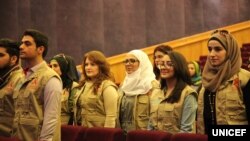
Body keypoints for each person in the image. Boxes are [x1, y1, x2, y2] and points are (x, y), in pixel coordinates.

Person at [12, 29, 62, 141]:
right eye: (21, 43)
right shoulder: (22, 77)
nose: (21, 46)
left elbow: (51, 118)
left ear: (40, 49)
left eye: (27, 44)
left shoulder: (50, 78)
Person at [196, 30, 250, 134]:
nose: (212, 54)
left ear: (230, 51)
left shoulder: (245, 79)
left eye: (218, 49)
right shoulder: (205, 81)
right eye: (210, 49)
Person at [149, 51, 198, 134]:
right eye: (162, 64)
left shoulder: (188, 94)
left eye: (169, 64)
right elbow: (150, 125)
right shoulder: (156, 92)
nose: (164, 67)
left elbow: (186, 131)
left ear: (179, 67)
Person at [75, 50, 118, 128]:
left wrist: (106, 136)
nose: (88, 67)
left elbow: (111, 117)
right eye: (86, 65)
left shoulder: (107, 87)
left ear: (101, 66)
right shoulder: (84, 84)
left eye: (92, 64)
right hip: (83, 131)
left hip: (99, 134)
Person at [118, 49, 156, 133]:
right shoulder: (123, 85)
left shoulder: (151, 85)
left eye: (132, 61)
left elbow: (157, 115)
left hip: (143, 134)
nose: (128, 64)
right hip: (123, 134)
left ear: (142, 62)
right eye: (126, 61)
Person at [0, 38, 24, 137]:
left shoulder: (20, 80)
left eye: (1, 55)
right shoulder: (3, 77)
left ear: (13, 59)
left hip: (10, 136)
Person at [50, 54, 79, 125]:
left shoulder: (73, 86)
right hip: (51, 124)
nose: (52, 69)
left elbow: (74, 112)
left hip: (66, 126)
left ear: (64, 67)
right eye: (50, 66)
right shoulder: (51, 84)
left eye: (55, 66)